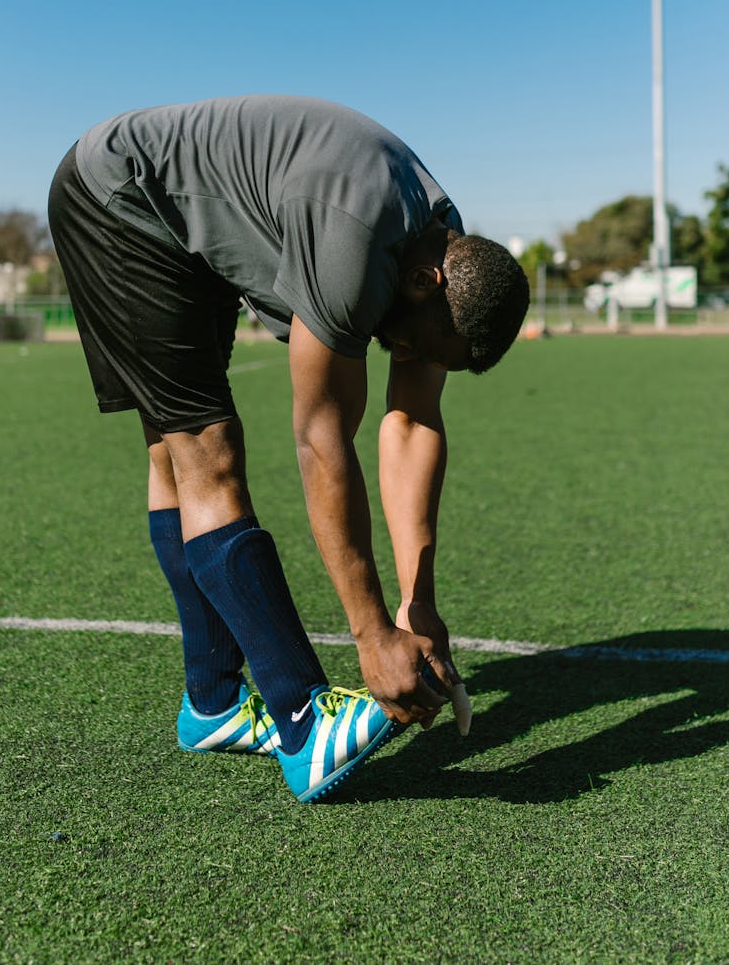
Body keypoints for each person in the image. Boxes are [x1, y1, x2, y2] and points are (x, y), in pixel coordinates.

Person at [48, 94, 528, 803]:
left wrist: (414, 605)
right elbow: (320, 438)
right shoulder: (360, 241)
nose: (394, 352)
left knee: (176, 455)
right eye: (403, 343)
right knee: (203, 451)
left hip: (189, 219)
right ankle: (302, 719)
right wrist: (369, 635)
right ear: (427, 283)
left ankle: (210, 705)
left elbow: (410, 420)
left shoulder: (445, 256)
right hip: (120, 196)